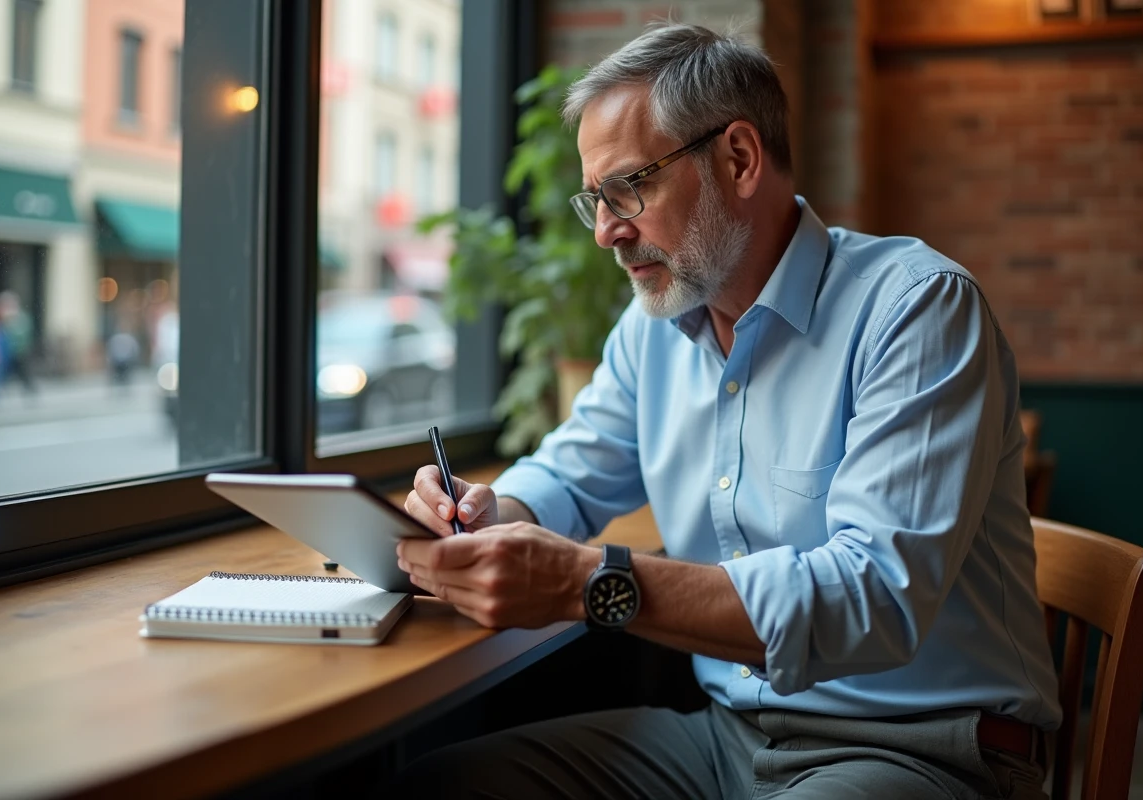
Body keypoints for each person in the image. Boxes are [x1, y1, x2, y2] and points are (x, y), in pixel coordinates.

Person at [392, 23, 1060, 800]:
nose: (608, 229)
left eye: (629, 187)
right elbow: (568, 479)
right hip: (728, 740)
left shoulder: (916, 309)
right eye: (595, 200)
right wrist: (485, 510)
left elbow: (873, 598)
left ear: (739, 158)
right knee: (435, 786)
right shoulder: (651, 335)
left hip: (921, 751)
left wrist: (589, 582)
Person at [0, 291, 36, 395]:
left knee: (22, 370)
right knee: (4, 370)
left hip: (20, 351)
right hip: (7, 353)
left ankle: (29, 388)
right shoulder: (2, 321)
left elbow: (23, 334)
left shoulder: (21, 318)